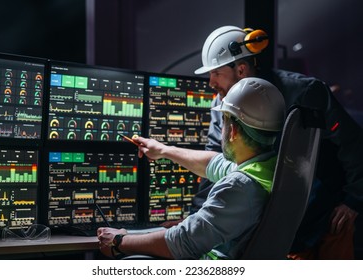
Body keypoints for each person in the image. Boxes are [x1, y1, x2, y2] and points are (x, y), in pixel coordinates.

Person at [186, 25, 363, 259]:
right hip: (265, 219)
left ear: (240, 69)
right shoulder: (222, 104)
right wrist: (195, 218)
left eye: (216, 73)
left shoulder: (304, 93)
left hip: (319, 218)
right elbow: (213, 159)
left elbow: (352, 142)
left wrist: (353, 199)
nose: (211, 83)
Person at [97, 77, 286, 259]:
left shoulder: (239, 186)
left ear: (233, 131)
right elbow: (212, 164)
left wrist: (119, 241)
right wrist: (163, 150)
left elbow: (181, 243)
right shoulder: (270, 168)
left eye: (224, 121)